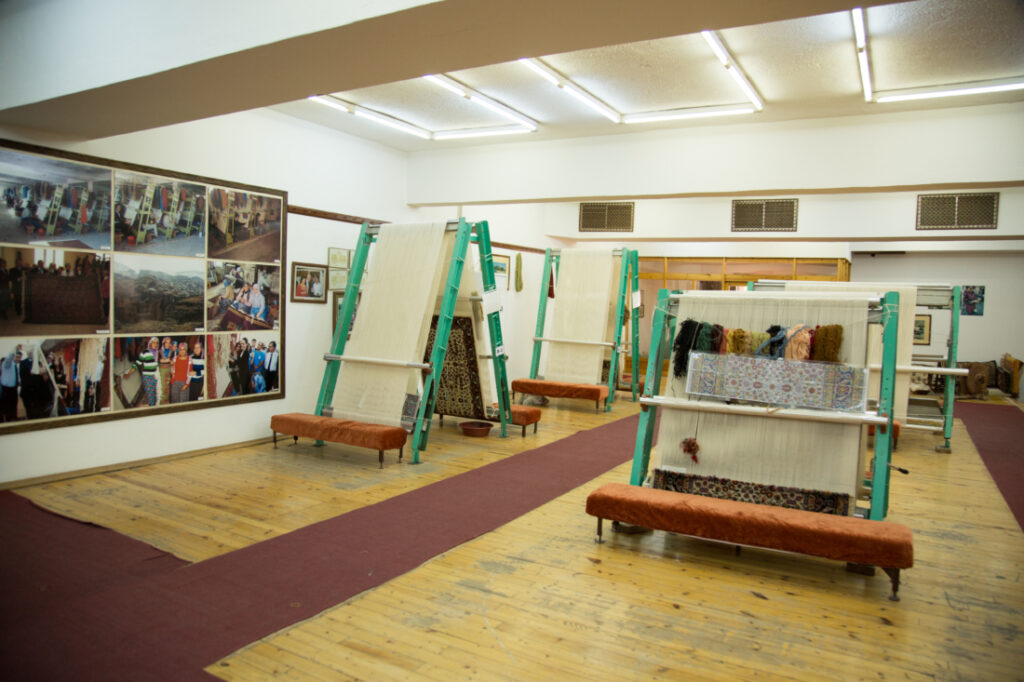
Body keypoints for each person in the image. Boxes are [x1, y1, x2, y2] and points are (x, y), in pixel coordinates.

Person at [134, 337, 160, 406]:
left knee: (156, 395)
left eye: (157, 343)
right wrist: (129, 373)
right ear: (150, 343)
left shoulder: (158, 353)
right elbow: (138, 363)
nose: (155, 344)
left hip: (156, 376)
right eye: (154, 343)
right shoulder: (145, 352)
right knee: (150, 395)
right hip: (147, 377)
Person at [1, 346, 21, 421]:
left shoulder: (15, 365)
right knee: (7, 408)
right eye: (16, 356)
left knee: (14, 406)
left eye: (19, 357)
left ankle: (13, 419)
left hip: (14, 389)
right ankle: (8, 421)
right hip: (7, 390)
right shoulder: (6, 364)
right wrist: (14, 350)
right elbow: (9, 358)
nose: (18, 358)